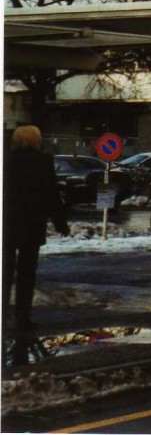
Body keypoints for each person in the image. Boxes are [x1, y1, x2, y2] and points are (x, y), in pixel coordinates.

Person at [3, 125, 70, 332]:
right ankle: (22, 320)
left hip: (5, 226)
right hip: (31, 226)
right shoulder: (43, 162)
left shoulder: (5, 161)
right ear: (36, 141)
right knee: (26, 276)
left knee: (3, 274)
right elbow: (51, 195)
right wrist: (61, 223)